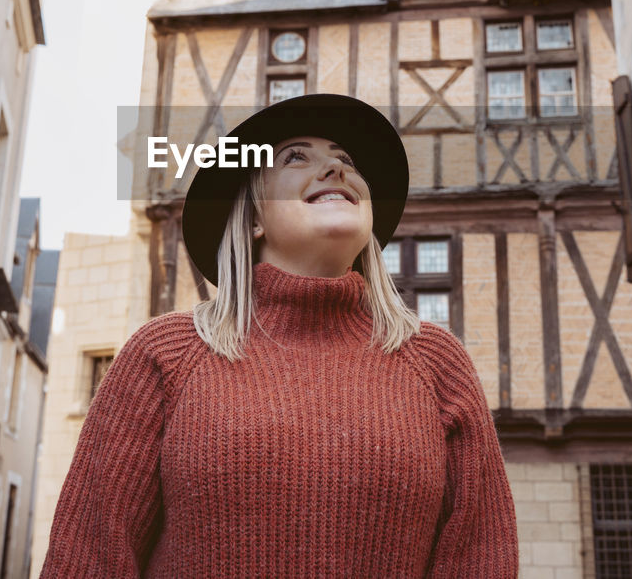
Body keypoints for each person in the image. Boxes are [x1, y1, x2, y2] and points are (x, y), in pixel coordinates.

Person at [40, 94, 519, 577]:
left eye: (346, 159)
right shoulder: (168, 353)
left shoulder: (436, 362)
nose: (335, 167)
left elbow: (481, 558)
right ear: (252, 218)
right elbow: (91, 554)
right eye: (296, 157)